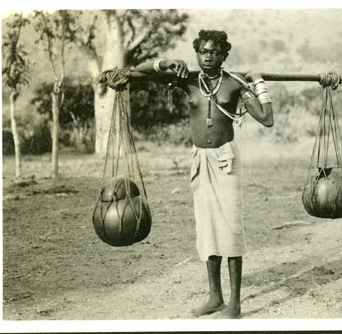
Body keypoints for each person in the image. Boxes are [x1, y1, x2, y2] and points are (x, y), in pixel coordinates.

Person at [103, 30, 274, 319]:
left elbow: (267, 118)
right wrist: (165, 62)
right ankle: (215, 298)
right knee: (207, 228)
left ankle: (235, 304)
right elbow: (137, 73)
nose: (209, 57)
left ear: (224, 55)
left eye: (215, 52)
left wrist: (257, 83)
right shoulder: (187, 80)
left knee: (230, 228)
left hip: (225, 159)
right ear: (197, 52)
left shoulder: (234, 84)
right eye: (204, 51)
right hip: (199, 159)